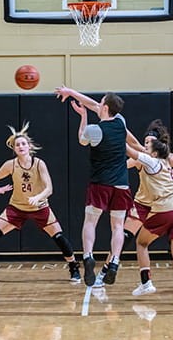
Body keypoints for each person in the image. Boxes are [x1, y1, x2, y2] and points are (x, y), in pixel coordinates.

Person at [0, 123, 80, 283]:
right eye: (18, 145)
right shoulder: (11, 165)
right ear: (14, 149)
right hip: (17, 207)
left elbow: (49, 188)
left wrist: (38, 197)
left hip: (40, 207)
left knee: (59, 237)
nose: (21, 146)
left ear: (29, 146)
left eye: (23, 143)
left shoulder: (39, 164)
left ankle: (73, 266)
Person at [55, 86, 143, 286]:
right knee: (118, 226)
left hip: (100, 184)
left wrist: (83, 116)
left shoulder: (94, 130)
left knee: (90, 222)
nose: (99, 104)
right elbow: (93, 103)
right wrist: (72, 92)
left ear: (105, 108)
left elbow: (81, 140)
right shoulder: (121, 122)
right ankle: (114, 262)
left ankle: (88, 257)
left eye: (101, 102)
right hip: (121, 184)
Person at [94, 119, 173, 288]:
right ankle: (105, 271)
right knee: (124, 237)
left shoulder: (168, 158)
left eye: (150, 142)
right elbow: (124, 164)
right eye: (145, 142)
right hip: (143, 204)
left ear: (157, 145)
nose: (146, 145)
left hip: (164, 204)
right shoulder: (141, 159)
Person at [125, 131, 173, 304]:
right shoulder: (167, 161)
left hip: (165, 211)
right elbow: (136, 145)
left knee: (141, 243)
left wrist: (113, 131)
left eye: (148, 145)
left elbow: (130, 149)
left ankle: (146, 282)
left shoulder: (151, 162)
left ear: (155, 152)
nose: (145, 147)